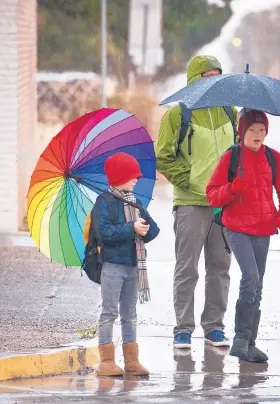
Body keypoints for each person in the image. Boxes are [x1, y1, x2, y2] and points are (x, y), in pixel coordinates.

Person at [156, 55, 238, 349]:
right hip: (191, 203)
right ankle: (183, 329)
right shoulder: (178, 115)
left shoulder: (231, 112)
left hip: (223, 206)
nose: (213, 80)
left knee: (220, 267)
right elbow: (163, 157)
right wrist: (190, 180)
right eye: (207, 75)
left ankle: (215, 327)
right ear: (194, 78)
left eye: (217, 75)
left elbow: (238, 154)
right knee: (187, 267)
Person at [206, 109, 280, 362]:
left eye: (262, 131)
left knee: (257, 285)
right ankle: (239, 339)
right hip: (237, 227)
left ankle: (249, 344)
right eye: (252, 130)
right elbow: (212, 194)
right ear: (242, 132)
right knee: (250, 276)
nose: (258, 135)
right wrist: (232, 188)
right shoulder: (232, 157)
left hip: (263, 228)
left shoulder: (273, 157)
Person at [89, 152, 160, 376]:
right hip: (112, 265)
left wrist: (145, 224)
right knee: (109, 312)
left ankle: (132, 361)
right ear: (119, 176)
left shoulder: (135, 202)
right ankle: (107, 361)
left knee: (130, 313)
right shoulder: (104, 202)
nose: (137, 179)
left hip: (132, 266)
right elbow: (104, 233)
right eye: (132, 175)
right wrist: (132, 228)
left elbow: (153, 232)